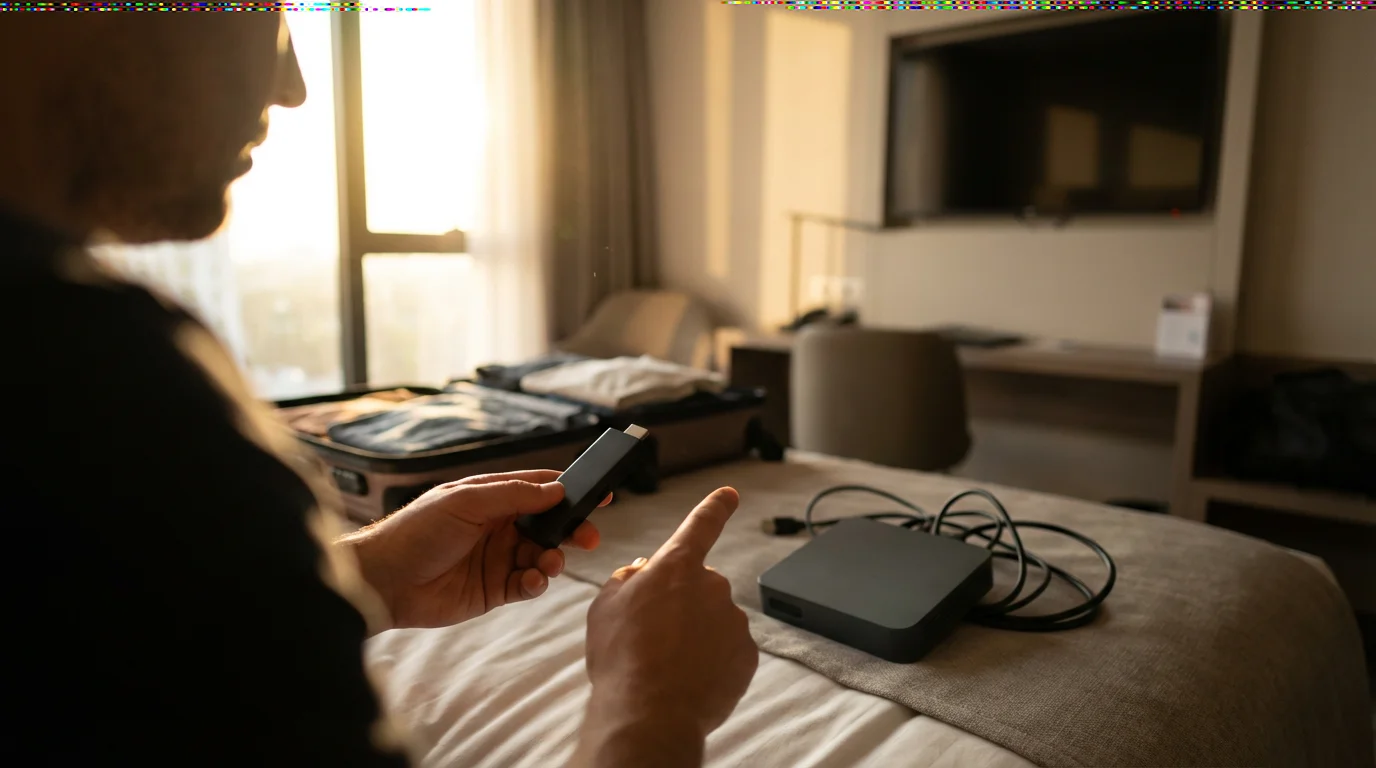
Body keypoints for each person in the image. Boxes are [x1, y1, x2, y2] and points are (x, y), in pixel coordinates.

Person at [0, 10, 757, 766]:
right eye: (273, 16)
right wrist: (652, 698)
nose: (292, 86)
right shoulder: (93, 384)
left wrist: (370, 576)